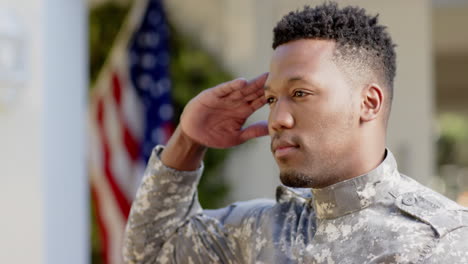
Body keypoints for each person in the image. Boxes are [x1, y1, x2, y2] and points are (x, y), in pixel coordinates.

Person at [123, 3, 468, 263]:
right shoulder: (264, 229)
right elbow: (152, 251)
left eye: (300, 93)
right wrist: (188, 139)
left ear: (369, 102)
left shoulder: (441, 240)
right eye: (271, 98)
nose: (277, 119)